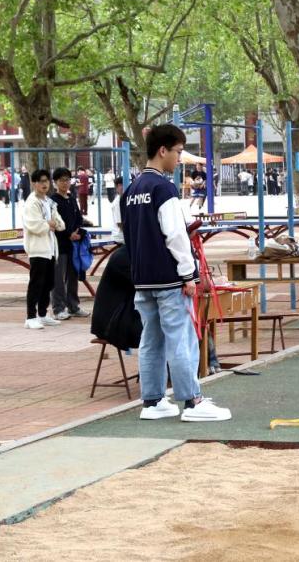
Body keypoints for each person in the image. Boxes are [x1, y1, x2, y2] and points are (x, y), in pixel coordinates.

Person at [123, 124, 230, 422]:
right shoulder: (163, 188)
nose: (179, 158)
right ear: (163, 150)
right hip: (169, 277)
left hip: (142, 278)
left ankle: (153, 400)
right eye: (178, 152)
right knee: (181, 338)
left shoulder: (131, 191)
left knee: (151, 340)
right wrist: (189, 274)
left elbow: (128, 236)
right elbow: (176, 235)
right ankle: (193, 401)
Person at [22, 169, 66, 329]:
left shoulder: (49, 202)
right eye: (41, 181)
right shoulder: (31, 202)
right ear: (34, 183)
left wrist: (51, 224)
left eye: (46, 181)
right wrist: (49, 224)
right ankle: (30, 317)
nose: (44, 184)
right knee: (36, 283)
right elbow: (34, 225)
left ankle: (42, 313)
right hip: (37, 249)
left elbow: (60, 223)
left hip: (50, 248)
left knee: (48, 283)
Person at [50, 167, 89, 320]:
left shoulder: (71, 198)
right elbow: (55, 223)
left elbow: (78, 218)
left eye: (67, 180)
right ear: (55, 182)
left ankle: (73, 306)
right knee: (58, 278)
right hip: (59, 244)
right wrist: (68, 234)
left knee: (73, 277)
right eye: (61, 180)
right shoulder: (53, 201)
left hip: (73, 245)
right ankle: (58, 309)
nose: (65, 183)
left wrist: (77, 231)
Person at [110, 179, 125, 244]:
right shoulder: (118, 202)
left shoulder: (122, 199)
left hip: (121, 235)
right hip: (120, 236)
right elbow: (120, 224)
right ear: (119, 186)